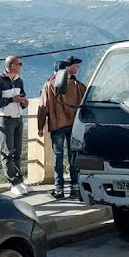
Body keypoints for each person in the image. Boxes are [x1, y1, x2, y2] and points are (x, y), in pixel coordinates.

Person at [38, 56, 87, 199]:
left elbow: (43, 108)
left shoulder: (49, 85)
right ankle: (75, 188)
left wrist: (40, 127)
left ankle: (59, 190)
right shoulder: (78, 86)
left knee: (58, 157)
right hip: (74, 126)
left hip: (57, 125)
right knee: (73, 156)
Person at [0, 55, 31, 196]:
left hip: (17, 118)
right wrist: (12, 99)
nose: (22, 66)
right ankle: (13, 182)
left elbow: (22, 97)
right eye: (20, 64)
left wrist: (24, 103)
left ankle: (20, 180)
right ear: (13, 65)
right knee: (7, 152)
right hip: (4, 119)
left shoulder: (19, 81)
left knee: (18, 152)